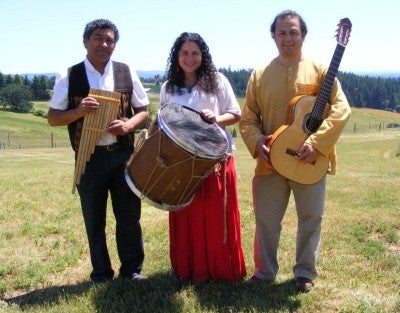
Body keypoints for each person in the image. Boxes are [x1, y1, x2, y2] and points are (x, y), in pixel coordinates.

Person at [239, 10, 351, 292]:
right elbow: (248, 117)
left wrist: (318, 143)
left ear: (303, 35)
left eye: (293, 32)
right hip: (269, 162)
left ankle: (304, 273)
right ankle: (264, 271)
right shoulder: (260, 74)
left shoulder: (321, 70)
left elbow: (341, 109)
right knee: (266, 220)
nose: (287, 38)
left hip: (309, 158)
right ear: (273, 36)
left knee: (311, 218)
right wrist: (256, 141)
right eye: (282, 32)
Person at [47, 19, 149, 284]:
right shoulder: (69, 75)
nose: (104, 44)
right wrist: (79, 111)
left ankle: (132, 270)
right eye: (98, 38)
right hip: (89, 159)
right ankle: (101, 274)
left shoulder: (126, 71)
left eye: (110, 40)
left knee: (129, 216)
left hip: (123, 155)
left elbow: (143, 112)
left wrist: (127, 125)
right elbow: (53, 118)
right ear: (86, 41)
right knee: (94, 219)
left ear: (115, 44)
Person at [159, 32, 247, 282]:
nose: (190, 58)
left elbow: (235, 113)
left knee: (215, 216)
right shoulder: (168, 87)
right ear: (177, 57)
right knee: (187, 216)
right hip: (181, 163)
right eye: (184, 53)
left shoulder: (217, 81)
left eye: (195, 53)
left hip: (214, 161)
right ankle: (189, 270)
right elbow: (162, 119)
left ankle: (221, 269)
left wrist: (216, 118)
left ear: (203, 55)